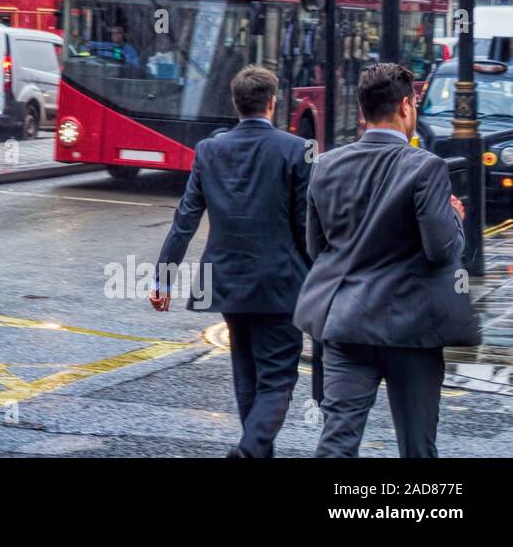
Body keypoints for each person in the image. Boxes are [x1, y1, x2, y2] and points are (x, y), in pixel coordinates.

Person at [295, 63, 479, 458]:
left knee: (338, 440)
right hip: (412, 329)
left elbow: (317, 249)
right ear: (406, 106)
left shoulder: (325, 165)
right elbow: (442, 251)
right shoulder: (426, 167)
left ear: (361, 112)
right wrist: (456, 220)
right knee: (416, 446)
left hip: (345, 323)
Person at [151, 65, 312, 457]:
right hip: (280, 283)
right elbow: (307, 225)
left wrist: (163, 279)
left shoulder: (209, 150)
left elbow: (185, 220)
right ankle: (249, 450)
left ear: (236, 103)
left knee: (246, 370)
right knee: (276, 380)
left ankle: (257, 451)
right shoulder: (295, 150)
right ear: (272, 103)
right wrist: (325, 277)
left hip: (223, 280)